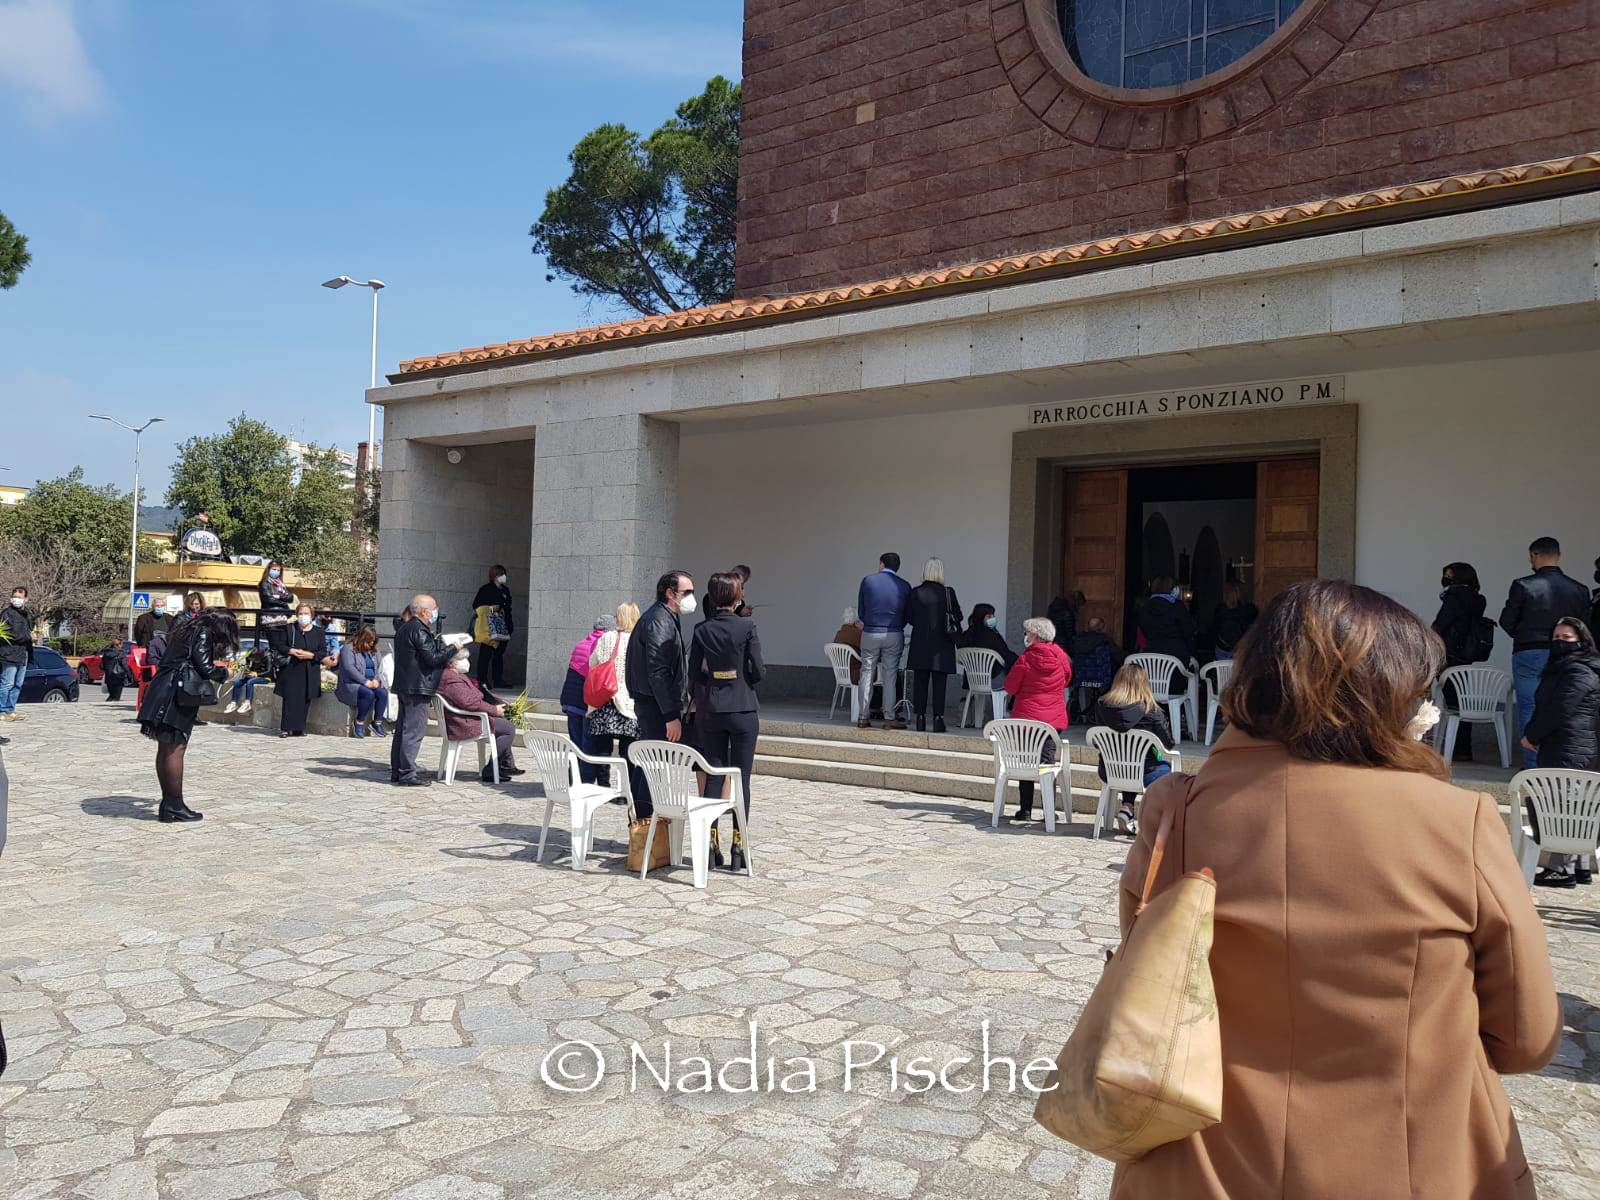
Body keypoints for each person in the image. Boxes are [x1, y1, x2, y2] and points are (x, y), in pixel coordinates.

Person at [1112, 579, 1560, 1199]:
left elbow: (1148, 974)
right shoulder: (1458, 822)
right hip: (1412, 1166)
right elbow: (1527, 1038)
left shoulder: (1176, 811)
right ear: (1390, 694)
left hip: (1196, 1166)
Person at [688, 571, 765, 871]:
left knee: (714, 775)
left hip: (712, 708)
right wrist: (743, 679)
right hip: (743, 706)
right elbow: (758, 669)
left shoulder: (702, 629)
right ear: (736, 596)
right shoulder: (747, 625)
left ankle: (710, 845)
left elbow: (694, 673)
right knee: (741, 778)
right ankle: (738, 845)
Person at [137, 608, 239, 823]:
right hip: (177, 693)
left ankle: (169, 804)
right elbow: (205, 667)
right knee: (175, 748)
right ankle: (174, 804)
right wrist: (225, 673)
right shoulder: (203, 632)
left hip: (166, 688)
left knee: (166, 748)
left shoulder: (186, 630)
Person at [1521, 617, 1600, 887]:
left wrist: (1533, 735)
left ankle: (1561, 869)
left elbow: (1561, 709)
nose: (1560, 643)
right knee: (1571, 805)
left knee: (1565, 807)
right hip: (1564, 744)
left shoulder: (1579, 671)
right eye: (1556, 638)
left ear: (1581, 641)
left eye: (1567, 638)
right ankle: (1578, 867)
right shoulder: (1563, 669)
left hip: (1571, 747)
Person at [1500, 536, 1590, 768]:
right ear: (1558, 556)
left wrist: (1523, 635)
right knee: (1565, 705)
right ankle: (1558, 763)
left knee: (1529, 706)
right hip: (1568, 654)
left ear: (1534, 555)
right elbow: (1584, 625)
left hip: (1529, 650)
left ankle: (1532, 765)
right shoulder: (1579, 589)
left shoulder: (1523, 585)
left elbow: (1507, 620)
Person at [624, 570, 695, 818]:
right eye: (687, 592)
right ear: (670, 593)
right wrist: (670, 715)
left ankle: (642, 819)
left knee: (650, 762)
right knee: (653, 764)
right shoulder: (659, 621)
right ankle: (645, 821)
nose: (691, 598)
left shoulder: (663, 618)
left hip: (653, 703)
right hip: (655, 706)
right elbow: (658, 671)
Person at [1091, 663, 1176, 834]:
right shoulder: (1152, 711)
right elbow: (1168, 744)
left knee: (1131, 764)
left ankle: (1128, 807)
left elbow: (1097, 742)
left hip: (1109, 770)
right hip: (1145, 771)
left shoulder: (1101, 706)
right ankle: (1155, 819)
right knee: (1164, 767)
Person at [1003, 617, 1072, 822]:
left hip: (1027, 720)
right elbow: (1067, 678)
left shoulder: (1025, 659)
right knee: (1047, 762)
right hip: (1053, 720)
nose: (1025, 636)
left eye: (1027, 632)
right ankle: (1049, 810)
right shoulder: (1061, 656)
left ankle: (1025, 809)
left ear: (1034, 635)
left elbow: (1010, 687)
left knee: (1027, 761)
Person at [391, 596, 455, 787]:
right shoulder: (418, 629)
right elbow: (432, 658)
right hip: (417, 686)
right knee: (413, 730)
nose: (436, 612)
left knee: (403, 730)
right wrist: (454, 648)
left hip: (406, 685)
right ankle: (407, 773)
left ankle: (398, 770)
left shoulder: (404, 628)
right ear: (424, 611)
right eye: (434, 608)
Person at [435, 645, 523, 784]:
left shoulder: (456, 676)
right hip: (462, 722)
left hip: (467, 717)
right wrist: (493, 710)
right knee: (508, 729)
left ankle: (505, 764)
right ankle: (492, 770)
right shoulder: (451, 679)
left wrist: (497, 702)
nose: (466, 662)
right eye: (462, 659)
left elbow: (476, 696)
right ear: (451, 663)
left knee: (505, 724)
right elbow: (469, 703)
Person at [904, 558, 961, 733]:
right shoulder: (948, 593)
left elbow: (909, 617)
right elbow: (958, 616)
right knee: (940, 683)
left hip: (920, 642)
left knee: (920, 682)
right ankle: (938, 719)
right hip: (942, 644)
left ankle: (920, 719)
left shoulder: (915, 592)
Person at [587, 602, 640, 790]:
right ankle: (627, 789)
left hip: (605, 699)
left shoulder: (606, 637)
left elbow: (592, 663)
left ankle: (604, 786)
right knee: (628, 751)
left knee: (602, 749)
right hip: (628, 702)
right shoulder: (638, 640)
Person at [856, 553, 911, 731]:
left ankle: (863, 716)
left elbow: (861, 610)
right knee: (890, 675)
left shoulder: (868, 581)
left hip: (870, 632)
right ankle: (889, 717)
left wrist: (868, 621)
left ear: (881, 564)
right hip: (894, 633)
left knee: (866, 672)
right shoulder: (904, 585)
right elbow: (907, 614)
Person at [561, 617, 614, 785]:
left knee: (575, 743)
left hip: (570, 699)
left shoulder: (581, 643)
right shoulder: (603, 645)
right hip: (586, 701)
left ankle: (573, 778)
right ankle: (585, 781)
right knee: (588, 744)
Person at [277, 604, 324, 739]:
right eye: (301, 613)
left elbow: (322, 651)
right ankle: (286, 728)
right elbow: (280, 645)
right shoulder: (289, 629)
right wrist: (291, 651)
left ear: (312, 615)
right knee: (290, 698)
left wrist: (311, 655)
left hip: (309, 669)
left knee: (305, 699)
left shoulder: (318, 631)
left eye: (306, 613)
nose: (303, 616)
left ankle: (300, 728)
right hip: (292, 668)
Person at [336, 627, 390, 738]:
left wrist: (376, 680)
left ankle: (377, 723)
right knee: (368, 694)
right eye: (369, 641)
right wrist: (364, 681)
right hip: (352, 683)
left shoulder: (374, 650)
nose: (371, 644)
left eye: (373, 642)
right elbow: (349, 668)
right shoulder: (348, 648)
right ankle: (359, 722)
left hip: (372, 682)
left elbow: (380, 667)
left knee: (383, 693)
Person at [1135, 575, 1196, 672]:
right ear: (1173, 590)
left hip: (1150, 659)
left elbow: (1144, 631)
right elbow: (1188, 632)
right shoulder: (1178, 607)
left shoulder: (1144, 608)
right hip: (1176, 660)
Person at [1069, 616, 1125, 715]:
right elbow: (1119, 657)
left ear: (1088, 627)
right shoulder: (1106, 641)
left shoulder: (1077, 641)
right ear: (1102, 628)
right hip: (1102, 678)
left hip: (1081, 677)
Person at [472, 565, 514, 688]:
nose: (503, 577)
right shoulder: (486, 589)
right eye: (501, 574)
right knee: (486, 653)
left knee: (499, 653)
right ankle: (482, 679)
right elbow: (476, 606)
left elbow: (508, 607)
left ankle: (498, 679)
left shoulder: (505, 590)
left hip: (503, 624)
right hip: (489, 626)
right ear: (495, 576)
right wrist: (490, 608)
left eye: (504, 574)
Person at [958, 603, 1018, 684]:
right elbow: (1006, 655)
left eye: (993, 615)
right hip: (993, 679)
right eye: (989, 616)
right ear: (980, 617)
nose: (993, 618)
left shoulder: (966, 634)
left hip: (971, 680)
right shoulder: (992, 636)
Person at [0, 585, 35, 723]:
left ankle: (10, 709)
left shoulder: (27, 615)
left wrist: (32, 636)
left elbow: (30, 631)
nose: (16, 599)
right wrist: (27, 637)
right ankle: (2, 711)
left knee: (18, 684)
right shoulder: (6, 614)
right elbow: (6, 635)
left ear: (26, 599)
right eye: (14, 597)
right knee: (7, 683)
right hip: (9, 653)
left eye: (19, 597)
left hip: (23, 653)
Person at [257, 562, 295, 676]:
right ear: (268, 569)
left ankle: (280, 669)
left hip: (282, 618)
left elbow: (291, 597)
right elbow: (268, 599)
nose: (276, 572)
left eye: (279, 570)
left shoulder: (280, 585)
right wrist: (284, 603)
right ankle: (271, 670)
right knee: (274, 645)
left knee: (283, 645)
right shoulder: (264, 583)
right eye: (274, 569)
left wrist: (278, 597)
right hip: (270, 618)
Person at [1210, 582, 1258, 661]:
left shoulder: (1220, 610)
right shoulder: (1250, 610)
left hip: (1224, 648)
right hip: (1242, 649)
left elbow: (1214, 630)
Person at [225, 647, 268, 715]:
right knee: (237, 683)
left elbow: (269, 671)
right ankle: (233, 702)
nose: (252, 661)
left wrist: (255, 674)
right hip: (252, 675)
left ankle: (247, 702)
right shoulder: (249, 658)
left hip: (265, 677)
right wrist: (247, 672)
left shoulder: (267, 657)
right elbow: (248, 667)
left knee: (250, 682)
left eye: (253, 659)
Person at [100, 635, 130, 702]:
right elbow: (125, 666)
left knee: (111, 695)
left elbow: (101, 666)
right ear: (119, 645)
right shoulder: (121, 653)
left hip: (108, 677)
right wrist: (129, 676)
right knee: (117, 697)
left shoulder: (106, 653)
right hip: (118, 677)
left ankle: (107, 704)